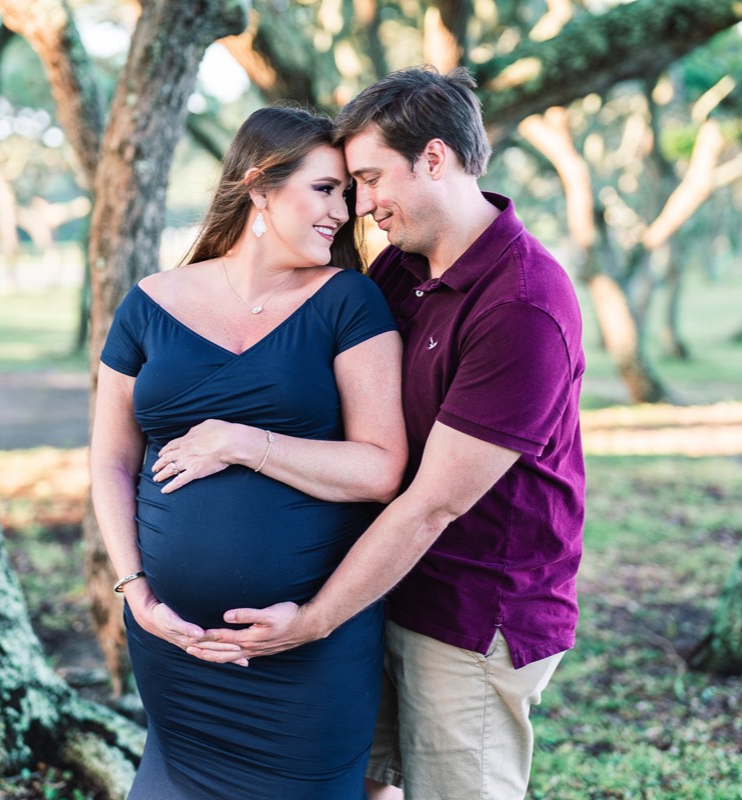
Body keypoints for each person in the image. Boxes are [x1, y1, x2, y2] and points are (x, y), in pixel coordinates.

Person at [193, 68, 586, 800]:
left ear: (434, 159)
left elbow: (431, 504)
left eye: (370, 179)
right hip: (382, 588)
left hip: (472, 614)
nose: (360, 206)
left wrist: (310, 623)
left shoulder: (524, 307)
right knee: (362, 786)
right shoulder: (402, 269)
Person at [90, 105, 407, 799]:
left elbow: (382, 468)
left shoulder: (349, 302)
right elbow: (111, 461)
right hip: (176, 647)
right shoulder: (148, 305)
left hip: (308, 654)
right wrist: (135, 591)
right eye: (325, 189)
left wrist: (243, 443)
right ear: (260, 186)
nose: (343, 212)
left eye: (348, 196)